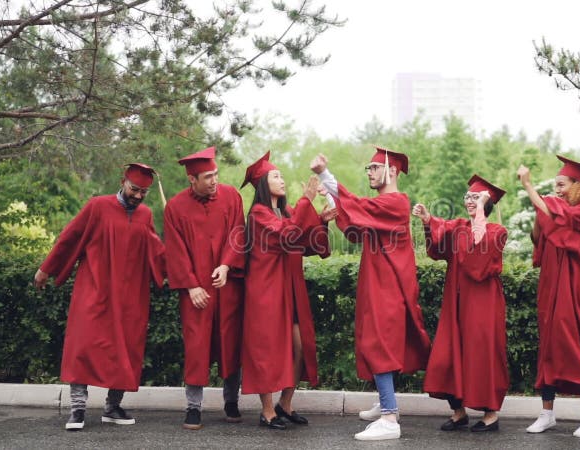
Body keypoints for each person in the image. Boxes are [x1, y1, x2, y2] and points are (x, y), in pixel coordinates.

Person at [311, 147, 431, 441]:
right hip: (377, 283)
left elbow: (358, 208)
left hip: (387, 286)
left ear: (392, 171)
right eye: (368, 168)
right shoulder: (382, 205)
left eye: (375, 167)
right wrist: (331, 198)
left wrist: (325, 176)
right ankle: (385, 403)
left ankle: (390, 418)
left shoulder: (396, 202)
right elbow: (355, 227)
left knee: (381, 344)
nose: (369, 172)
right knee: (376, 340)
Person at [33, 163, 165, 431]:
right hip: (94, 288)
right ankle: (77, 409)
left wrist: (183, 271)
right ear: (123, 181)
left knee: (126, 348)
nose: (138, 196)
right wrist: (47, 268)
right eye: (135, 189)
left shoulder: (145, 215)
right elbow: (69, 238)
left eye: (144, 192)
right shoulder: (97, 206)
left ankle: (112, 407)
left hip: (131, 296)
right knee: (82, 346)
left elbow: (157, 252)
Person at [239, 151, 336, 430]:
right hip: (267, 291)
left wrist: (322, 221)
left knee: (299, 346)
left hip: (290, 288)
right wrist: (306, 201)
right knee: (267, 349)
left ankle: (286, 403)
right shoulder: (259, 214)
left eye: (282, 175)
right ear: (262, 184)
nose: (282, 180)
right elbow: (286, 235)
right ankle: (267, 411)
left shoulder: (286, 211)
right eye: (276, 176)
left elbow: (304, 242)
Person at [412, 174, 509, 433]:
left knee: (482, 355)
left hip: (483, 304)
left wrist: (479, 213)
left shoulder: (497, 231)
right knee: (448, 354)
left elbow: (478, 264)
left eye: (476, 197)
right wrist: (427, 221)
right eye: (468, 196)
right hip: (456, 303)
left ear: (488, 202)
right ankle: (459, 412)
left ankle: (490, 415)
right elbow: (438, 246)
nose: (469, 200)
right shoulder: (458, 227)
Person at [517, 155, 580, 438]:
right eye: (555, 185)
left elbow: (556, 214)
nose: (556, 189)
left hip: (575, 292)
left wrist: (528, 185)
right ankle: (547, 413)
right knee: (549, 350)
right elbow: (539, 235)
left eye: (561, 184)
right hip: (551, 291)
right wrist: (539, 214)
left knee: (574, 348)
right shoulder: (560, 211)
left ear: (579, 186)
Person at [163, 147, 246, 430]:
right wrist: (190, 286)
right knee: (196, 345)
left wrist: (225, 266)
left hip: (226, 285)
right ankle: (193, 407)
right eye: (208, 176)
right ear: (192, 179)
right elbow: (175, 251)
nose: (214, 180)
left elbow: (238, 234)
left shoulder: (232, 196)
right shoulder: (175, 207)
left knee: (230, 342)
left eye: (216, 174)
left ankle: (231, 401)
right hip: (195, 291)